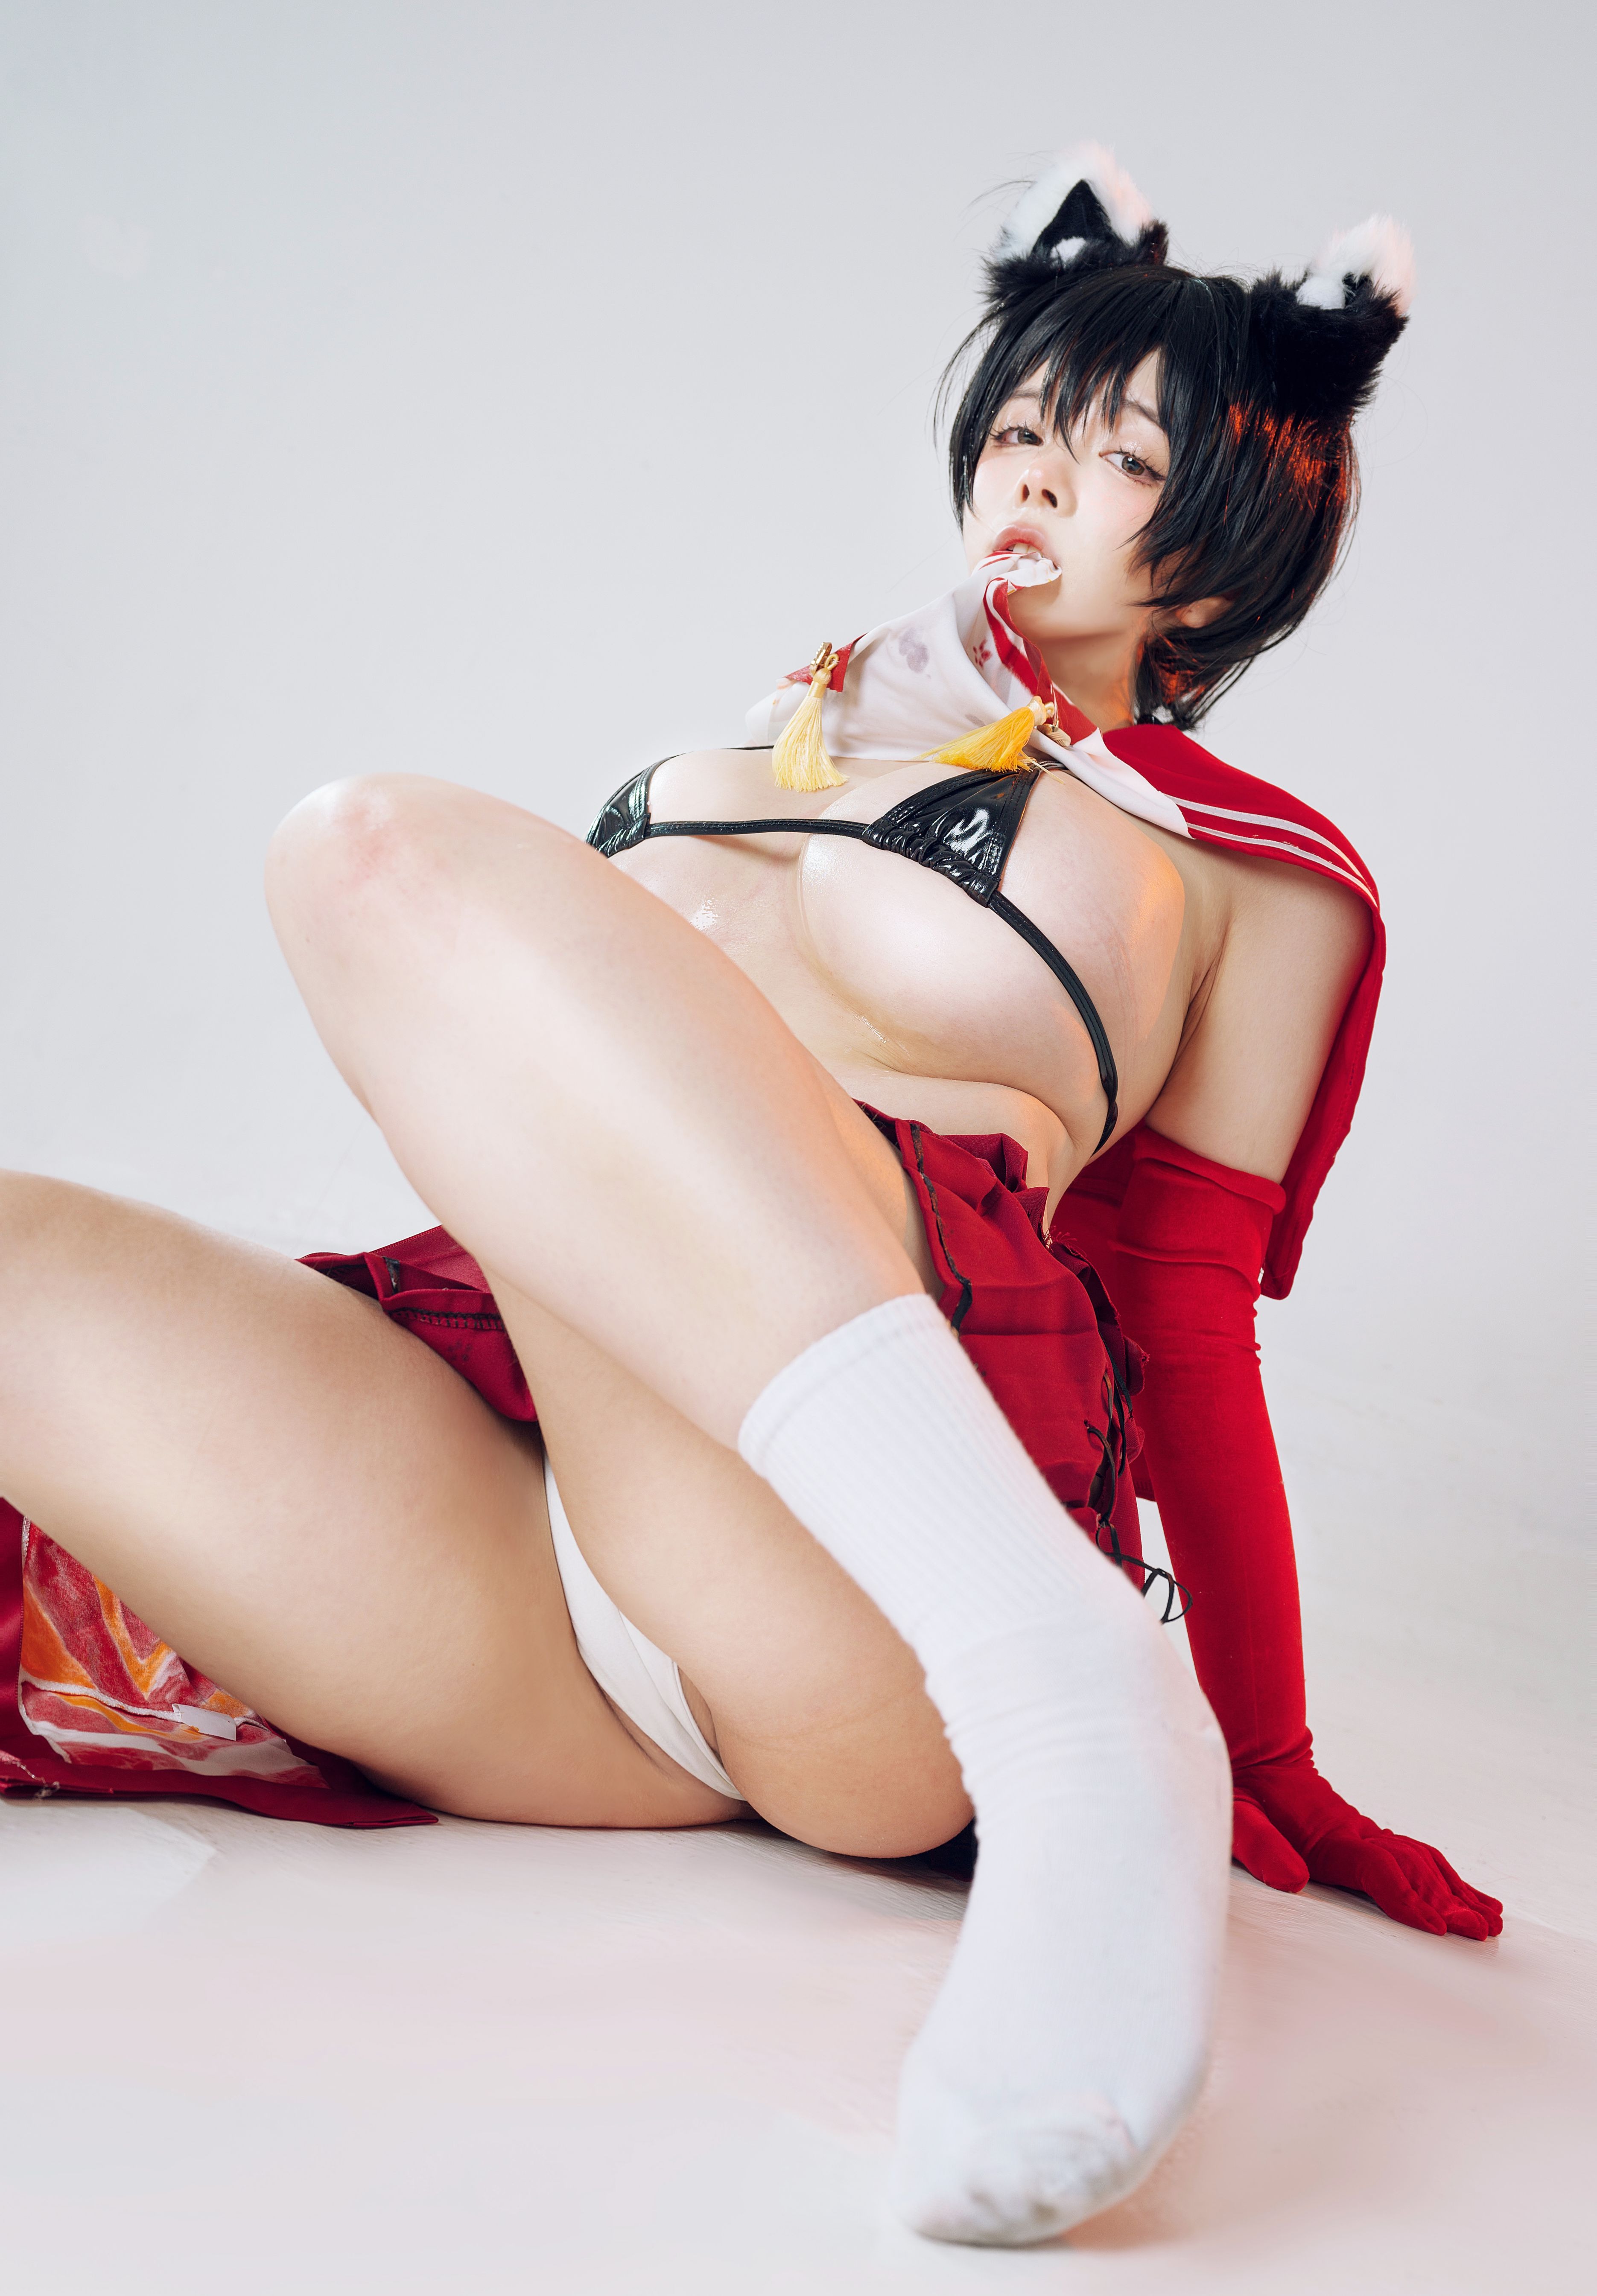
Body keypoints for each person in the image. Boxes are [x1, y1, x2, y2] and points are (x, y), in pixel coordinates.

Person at [0, 149, 1499, 2246]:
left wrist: (1265, 1747)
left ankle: (1071, 1704)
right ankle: (1043, 1679)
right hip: (534, 1503)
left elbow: (1185, 1315)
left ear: (1232, 549)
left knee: (374, 855)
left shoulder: (1245, 875)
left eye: (1122, 454)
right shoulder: (796, 719)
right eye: (1025, 424)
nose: (1037, 473)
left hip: (864, 1592)